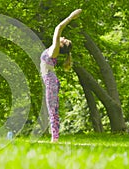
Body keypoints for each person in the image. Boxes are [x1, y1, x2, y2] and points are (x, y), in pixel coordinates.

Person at [40, 9, 82, 142]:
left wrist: (70, 17)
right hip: (51, 81)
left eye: (64, 39)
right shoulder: (54, 50)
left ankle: (55, 138)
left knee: (52, 110)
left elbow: (58, 28)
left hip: (51, 81)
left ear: (61, 44)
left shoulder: (54, 50)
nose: (63, 37)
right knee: (52, 109)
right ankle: (55, 137)